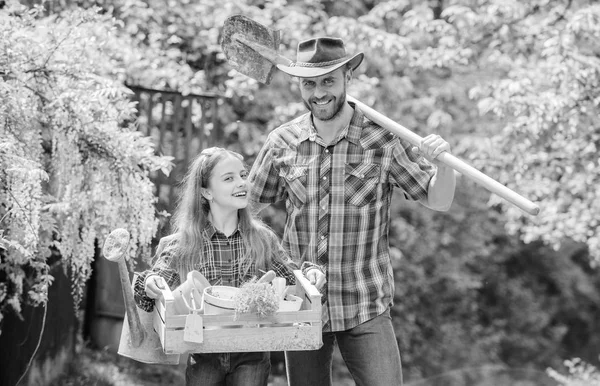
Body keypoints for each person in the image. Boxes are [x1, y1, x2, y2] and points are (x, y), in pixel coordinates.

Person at [248, 37, 456, 386]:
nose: (318, 93)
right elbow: (245, 208)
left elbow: (437, 199)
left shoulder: (382, 140)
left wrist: (443, 165)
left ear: (348, 77)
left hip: (365, 304)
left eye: (328, 80)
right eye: (309, 84)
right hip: (301, 304)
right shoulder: (283, 142)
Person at [132, 147, 325, 386]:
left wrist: (311, 275)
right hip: (204, 352)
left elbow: (293, 277)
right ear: (206, 192)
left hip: (252, 353)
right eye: (229, 178)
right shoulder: (186, 242)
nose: (242, 182)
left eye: (243, 175)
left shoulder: (262, 239)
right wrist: (151, 284)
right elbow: (156, 278)